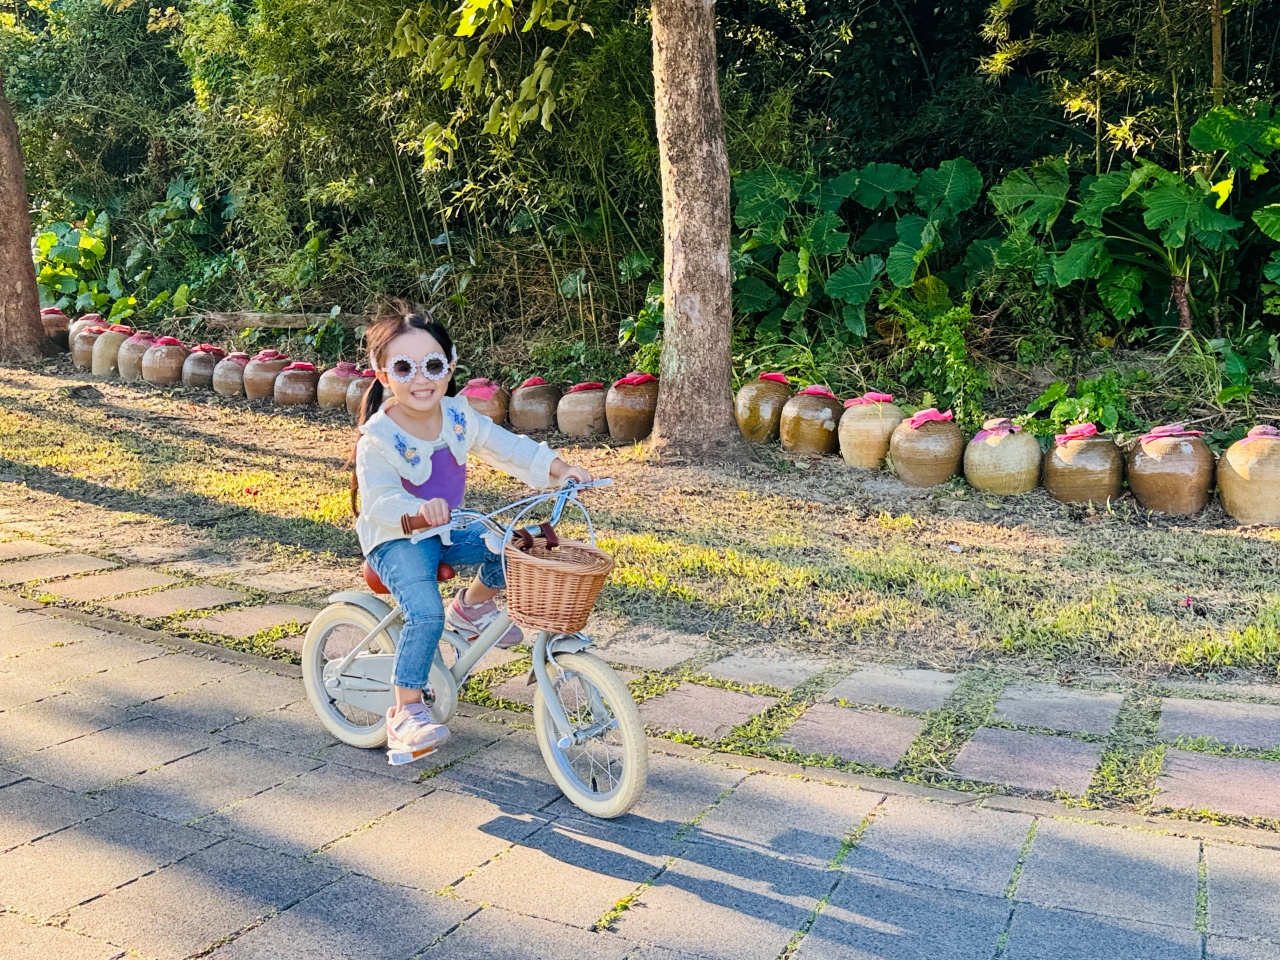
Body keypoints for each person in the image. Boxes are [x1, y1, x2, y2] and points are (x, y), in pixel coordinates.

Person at [350, 302, 591, 764]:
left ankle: (473, 605)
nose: (421, 379)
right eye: (404, 367)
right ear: (383, 376)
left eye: (433, 365)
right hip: (396, 538)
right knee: (424, 613)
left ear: (450, 367)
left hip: (446, 527)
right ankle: (405, 711)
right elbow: (379, 501)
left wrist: (560, 470)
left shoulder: (460, 417)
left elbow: (508, 448)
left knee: (514, 548)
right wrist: (418, 511)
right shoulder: (379, 437)